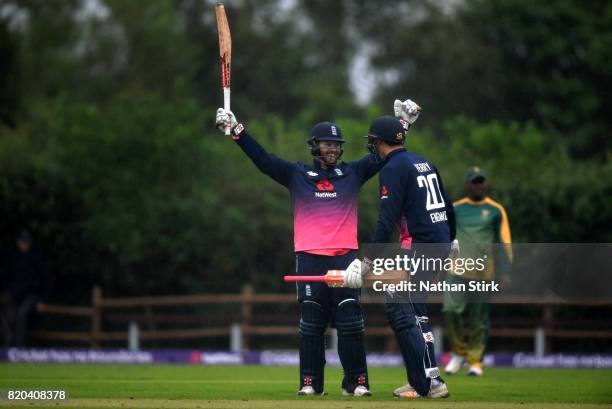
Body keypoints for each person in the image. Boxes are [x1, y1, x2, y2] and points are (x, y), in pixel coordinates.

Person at [214, 102, 417, 396]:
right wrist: (236, 130)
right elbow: (263, 160)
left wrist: (403, 125)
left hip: (346, 259)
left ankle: (356, 383)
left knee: (350, 322)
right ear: (314, 146)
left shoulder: (353, 173)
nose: (333, 149)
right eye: (327, 144)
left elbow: (386, 153)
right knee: (311, 324)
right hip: (309, 260)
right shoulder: (296, 175)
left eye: (336, 145)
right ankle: (310, 383)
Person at [344, 101, 457, 399]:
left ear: (380, 143)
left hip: (421, 246)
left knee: (401, 309)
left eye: (373, 142)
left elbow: (386, 220)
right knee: (416, 313)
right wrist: (452, 239)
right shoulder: (423, 161)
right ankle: (425, 378)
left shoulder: (393, 169)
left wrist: (366, 261)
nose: (372, 146)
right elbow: (447, 204)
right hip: (439, 242)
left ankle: (430, 383)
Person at [443, 167, 512, 376]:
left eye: (481, 181)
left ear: (485, 184)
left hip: (483, 273)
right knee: (450, 310)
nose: (478, 185)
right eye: (474, 182)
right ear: (467, 185)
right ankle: (458, 353)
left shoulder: (495, 210)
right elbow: (445, 236)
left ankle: (475, 361)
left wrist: (505, 271)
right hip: (456, 270)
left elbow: (504, 242)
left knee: (479, 319)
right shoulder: (456, 208)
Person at [2, 230, 53, 347]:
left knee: (21, 316)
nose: (24, 244)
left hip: (31, 296)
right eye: (22, 242)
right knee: (9, 318)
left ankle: (19, 348)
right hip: (14, 295)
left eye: (26, 242)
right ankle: (8, 347)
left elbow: (46, 280)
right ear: (18, 242)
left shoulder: (37, 258)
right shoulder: (13, 258)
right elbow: (5, 277)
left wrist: (42, 300)